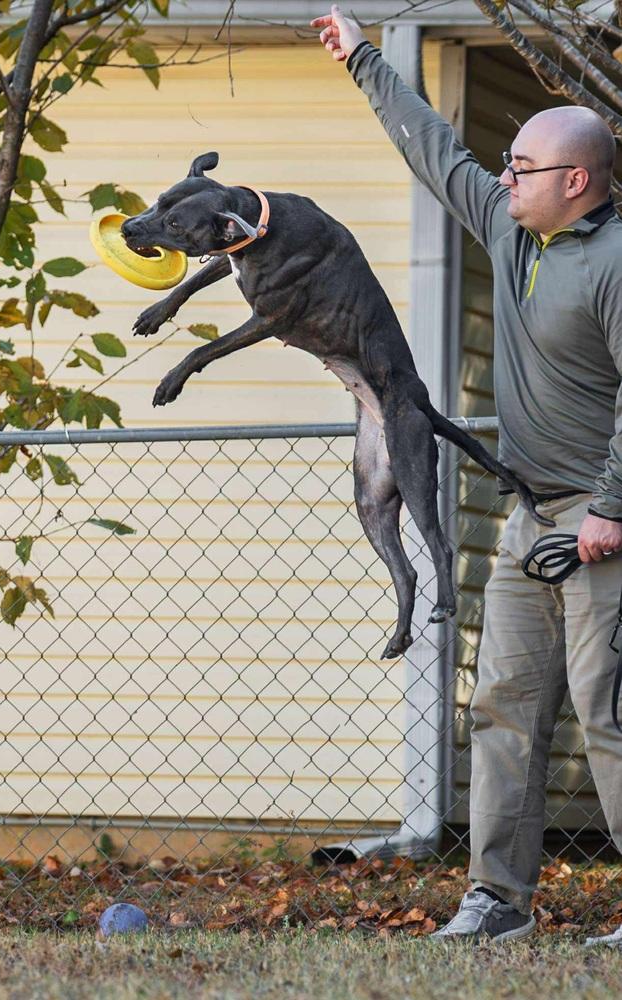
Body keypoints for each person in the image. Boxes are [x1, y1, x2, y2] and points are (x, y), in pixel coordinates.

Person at [311, 5, 622, 945]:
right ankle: (497, 901)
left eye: (521, 168)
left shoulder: (614, 262)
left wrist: (612, 508)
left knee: (607, 712)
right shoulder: (515, 231)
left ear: (577, 180)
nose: (502, 177)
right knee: (502, 710)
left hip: (601, 525)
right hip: (532, 520)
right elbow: (436, 151)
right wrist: (364, 57)